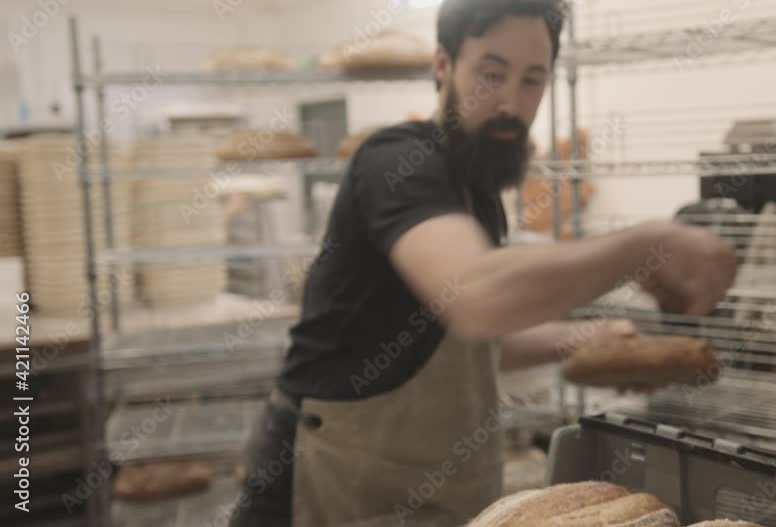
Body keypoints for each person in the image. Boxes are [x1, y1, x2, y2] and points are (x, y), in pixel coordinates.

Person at [229, 0, 738, 525]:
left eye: (532, 81)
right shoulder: (395, 163)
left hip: (429, 484)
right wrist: (644, 246)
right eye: (491, 74)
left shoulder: (476, 191)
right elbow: (476, 298)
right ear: (443, 65)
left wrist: (590, 337)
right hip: (331, 475)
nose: (511, 104)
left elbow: (468, 345)